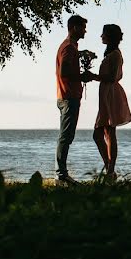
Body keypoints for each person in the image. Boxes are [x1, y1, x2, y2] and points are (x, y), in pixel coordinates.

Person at [55, 14, 94, 185]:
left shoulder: (71, 47)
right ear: (74, 28)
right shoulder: (69, 47)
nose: (85, 31)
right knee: (66, 136)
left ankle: (61, 173)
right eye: (83, 27)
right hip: (68, 96)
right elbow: (64, 72)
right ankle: (61, 175)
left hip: (66, 96)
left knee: (66, 135)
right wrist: (82, 77)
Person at [90, 23, 131, 179]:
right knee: (102, 133)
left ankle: (110, 170)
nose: (101, 36)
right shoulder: (111, 53)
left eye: (103, 34)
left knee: (108, 132)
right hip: (106, 94)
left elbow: (111, 77)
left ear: (109, 36)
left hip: (111, 94)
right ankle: (109, 169)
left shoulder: (115, 54)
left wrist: (93, 76)